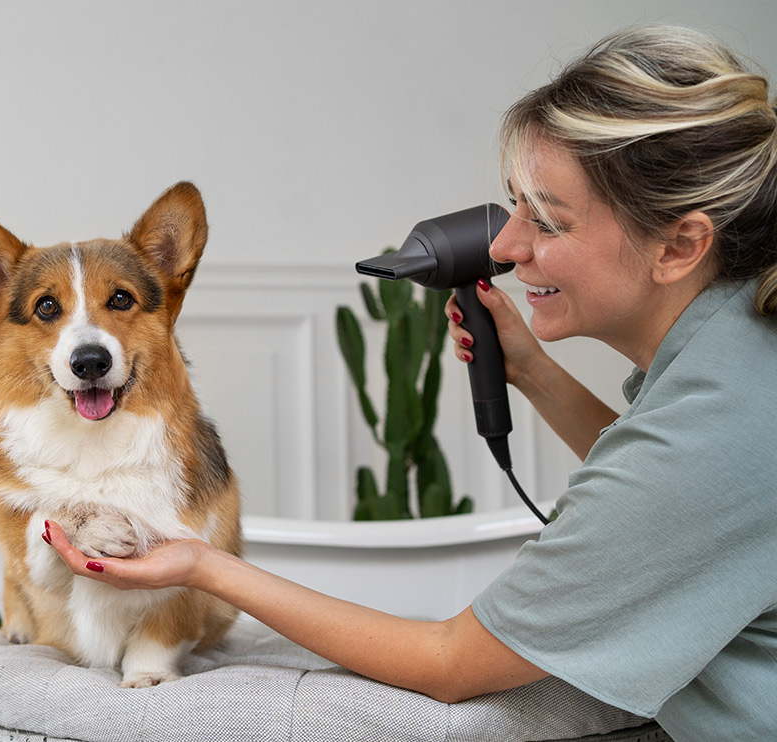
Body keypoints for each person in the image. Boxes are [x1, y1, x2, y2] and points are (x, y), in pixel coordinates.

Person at [47, 26, 777, 740]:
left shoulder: (719, 417)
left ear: (680, 244)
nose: (506, 244)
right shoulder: (734, 353)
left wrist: (205, 567)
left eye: (548, 221)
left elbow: (452, 663)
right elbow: (666, 496)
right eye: (514, 204)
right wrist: (530, 372)